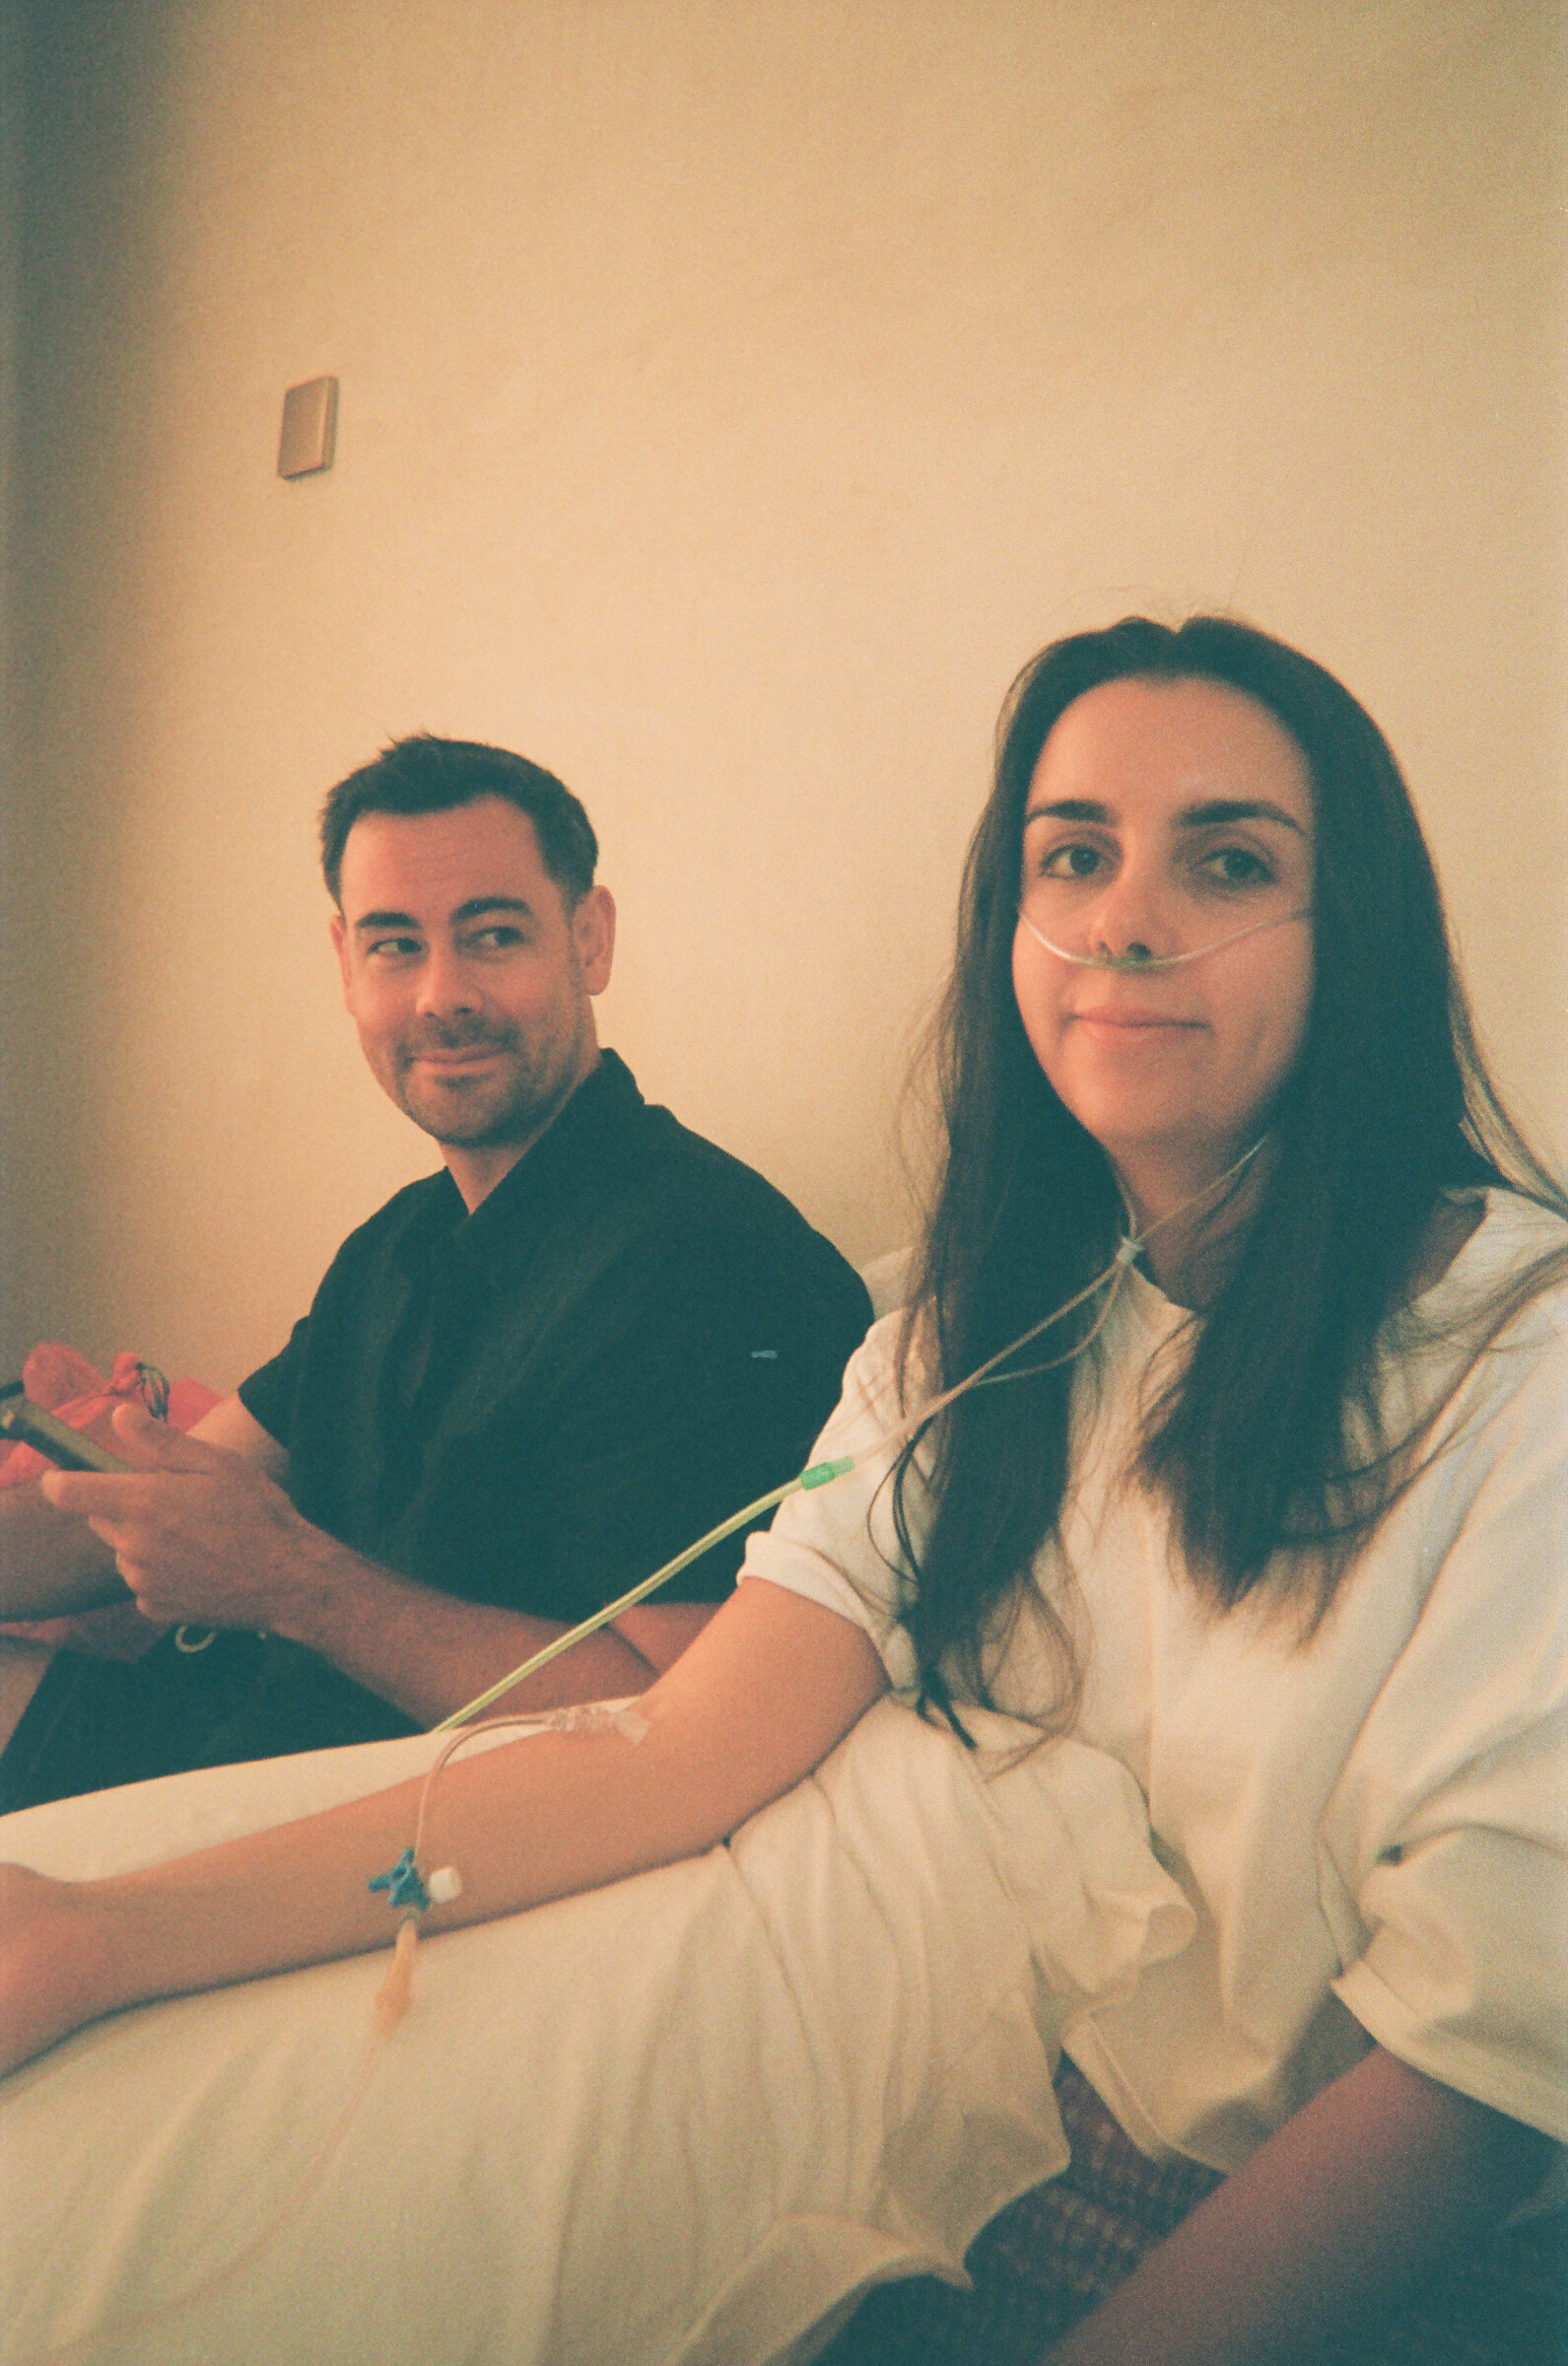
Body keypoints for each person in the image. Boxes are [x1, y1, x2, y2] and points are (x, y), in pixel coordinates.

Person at [2, 621, 1563, 2366]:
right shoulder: (961, 1337)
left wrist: (290, 1590)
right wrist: (101, 1936)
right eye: (1071, 857)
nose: (1125, 921)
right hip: (864, 2028)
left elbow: (1480, 2062)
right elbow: (674, 1757)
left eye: (1227, 862)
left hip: (1213, 2187)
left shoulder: (1518, 1370)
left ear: (1354, 928)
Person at [0, 736, 870, 1811]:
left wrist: (293, 1584)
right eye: (394, 947)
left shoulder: (705, 1264)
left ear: (589, 939)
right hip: (224, 1737)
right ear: (345, 965)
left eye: (492, 935)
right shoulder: (399, 1243)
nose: (440, 996)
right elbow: (143, 1497)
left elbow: (686, 1721)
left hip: (384, 1830)